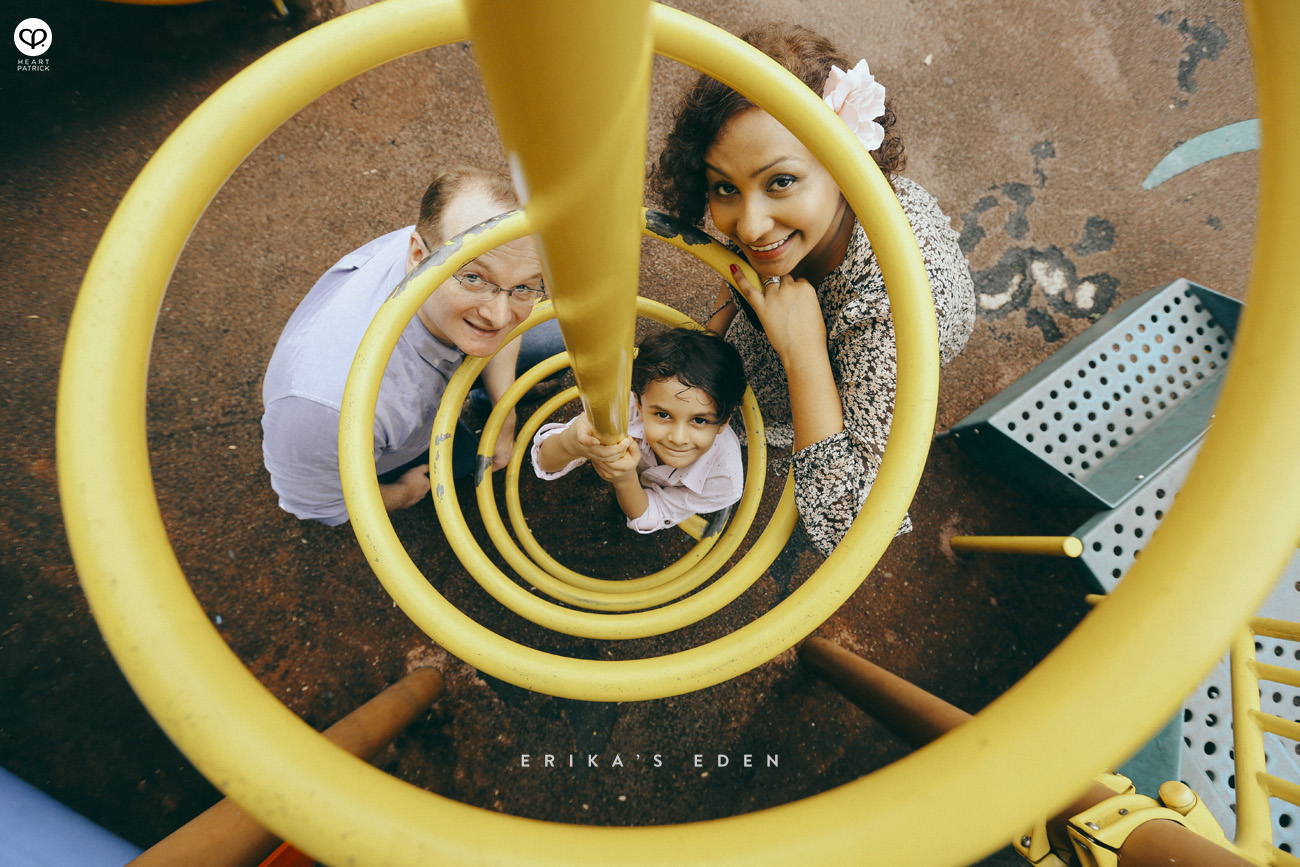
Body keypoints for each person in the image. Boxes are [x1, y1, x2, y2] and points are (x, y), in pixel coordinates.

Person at [649, 22, 976, 557]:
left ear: (846, 162)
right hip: (799, 322)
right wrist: (722, 325)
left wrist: (803, 357)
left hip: (866, 353)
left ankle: (771, 421)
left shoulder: (899, 309)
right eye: (725, 188)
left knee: (778, 407)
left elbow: (847, 528)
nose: (751, 227)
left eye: (780, 181)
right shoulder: (797, 235)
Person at [261, 166, 564, 526]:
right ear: (417, 256)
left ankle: (481, 397)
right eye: (473, 277)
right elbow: (313, 503)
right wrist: (403, 492)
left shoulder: (454, 246)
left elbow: (502, 303)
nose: (499, 317)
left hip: (432, 364)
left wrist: (505, 411)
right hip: (389, 441)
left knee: (561, 333)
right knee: (468, 460)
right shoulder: (329, 410)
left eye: (525, 286)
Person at [531, 328, 745, 533]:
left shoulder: (723, 479)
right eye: (663, 415)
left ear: (724, 422)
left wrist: (624, 481)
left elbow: (652, 513)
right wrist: (571, 443)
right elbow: (544, 461)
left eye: (699, 420)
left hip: (675, 489)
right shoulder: (622, 410)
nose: (678, 438)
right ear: (640, 405)